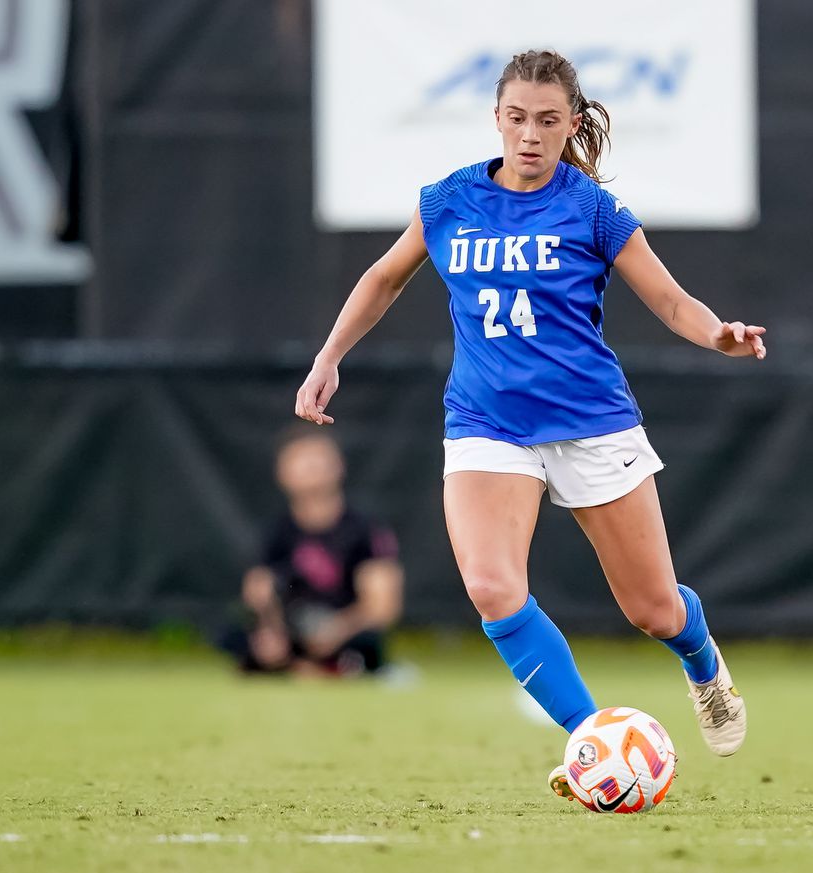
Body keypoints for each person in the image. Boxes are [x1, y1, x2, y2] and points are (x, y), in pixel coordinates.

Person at [293, 50, 765, 797]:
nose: (531, 135)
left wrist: (719, 335)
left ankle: (702, 662)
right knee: (490, 586)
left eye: (548, 121)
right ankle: (591, 738)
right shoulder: (449, 200)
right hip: (487, 423)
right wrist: (329, 355)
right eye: (517, 118)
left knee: (652, 607)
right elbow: (383, 276)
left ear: (571, 123)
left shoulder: (591, 209)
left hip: (590, 422)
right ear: (497, 120)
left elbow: (673, 302)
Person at [230, 428, 403, 677]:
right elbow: (257, 591)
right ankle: (305, 667)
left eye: (318, 460)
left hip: (344, 631)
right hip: (292, 629)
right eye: (301, 461)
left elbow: (383, 606)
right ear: (282, 472)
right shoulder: (276, 532)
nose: (311, 468)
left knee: (366, 643)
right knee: (237, 635)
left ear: (339, 466)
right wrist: (272, 629)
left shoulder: (365, 530)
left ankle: (313, 668)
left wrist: (336, 630)